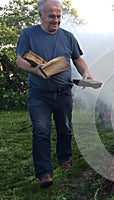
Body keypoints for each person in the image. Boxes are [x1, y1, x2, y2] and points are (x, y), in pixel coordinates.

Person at [15, 0, 95, 188]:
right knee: (41, 131)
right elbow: (19, 60)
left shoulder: (68, 37)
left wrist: (86, 74)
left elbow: (78, 59)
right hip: (39, 95)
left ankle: (64, 158)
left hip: (64, 93)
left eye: (59, 16)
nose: (56, 20)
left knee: (65, 129)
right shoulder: (28, 34)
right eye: (52, 16)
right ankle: (44, 173)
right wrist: (35, 70)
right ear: (41, 15)